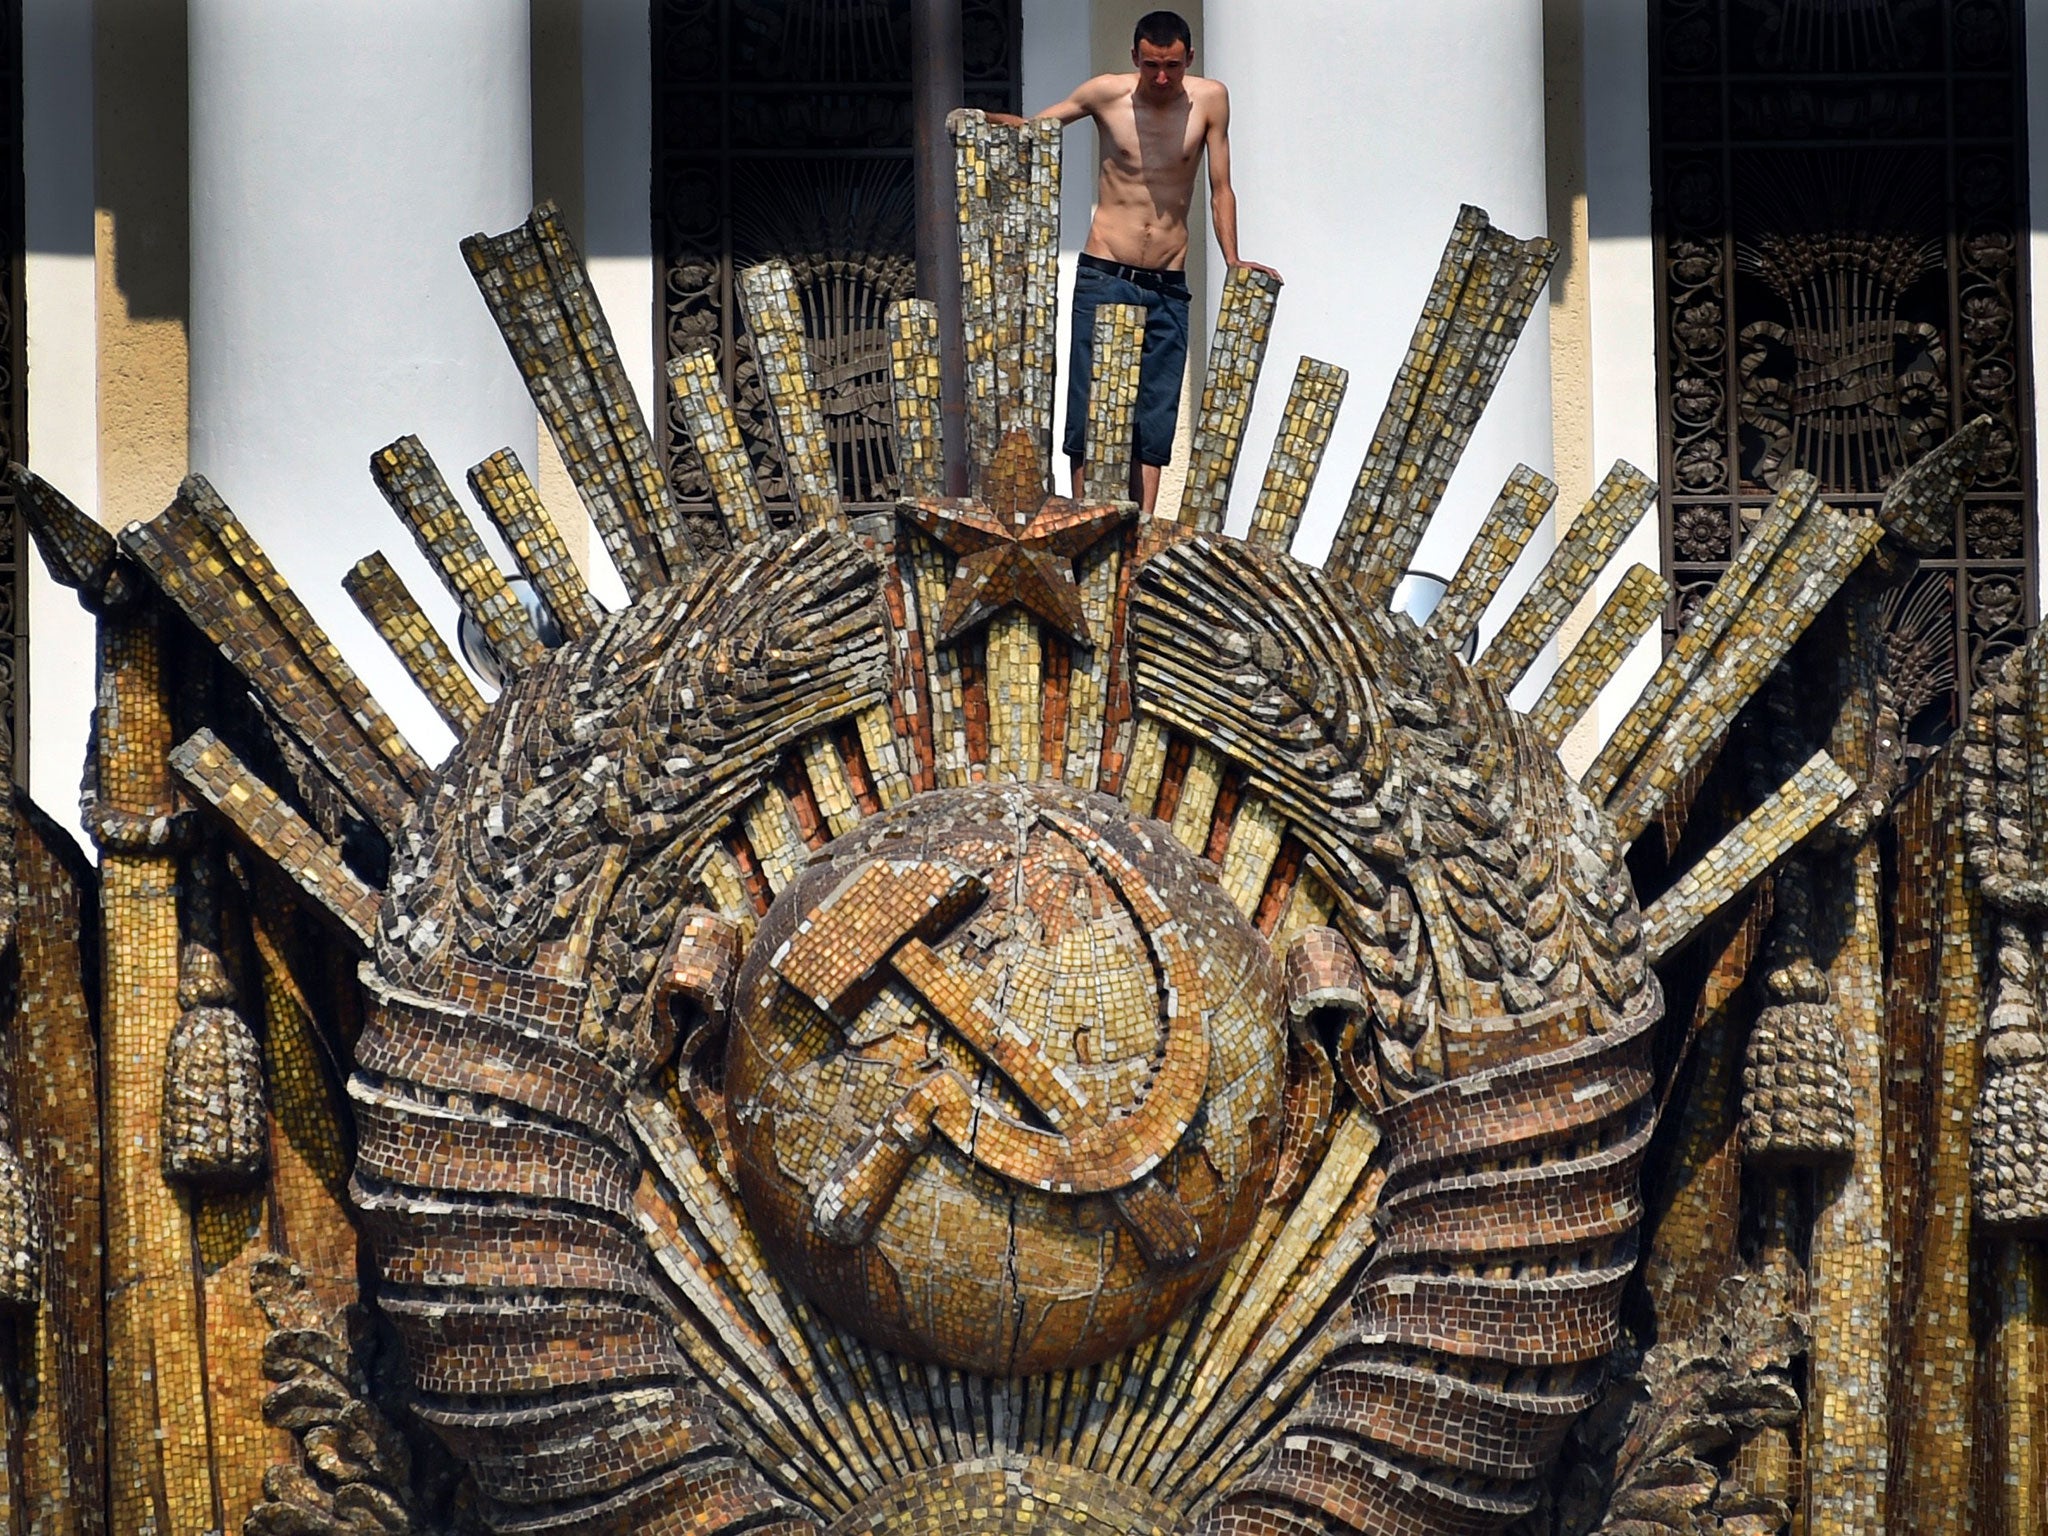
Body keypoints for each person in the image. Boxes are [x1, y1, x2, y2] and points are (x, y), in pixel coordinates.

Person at [990, 10, 1279, 513]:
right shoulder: (1105, 93)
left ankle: (1142, 525)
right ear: (1134, 59)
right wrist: (976, 120)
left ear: (1189, 58)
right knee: (1090, 400)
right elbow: (1034, 129)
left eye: (1172, 65)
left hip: (1167, 279)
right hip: (1106, 272)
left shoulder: (1211, 100)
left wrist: (1233, 259)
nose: (1162, 77)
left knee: (1156, 409)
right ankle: (1083, 515)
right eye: (1151, 66)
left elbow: (1221, 187)